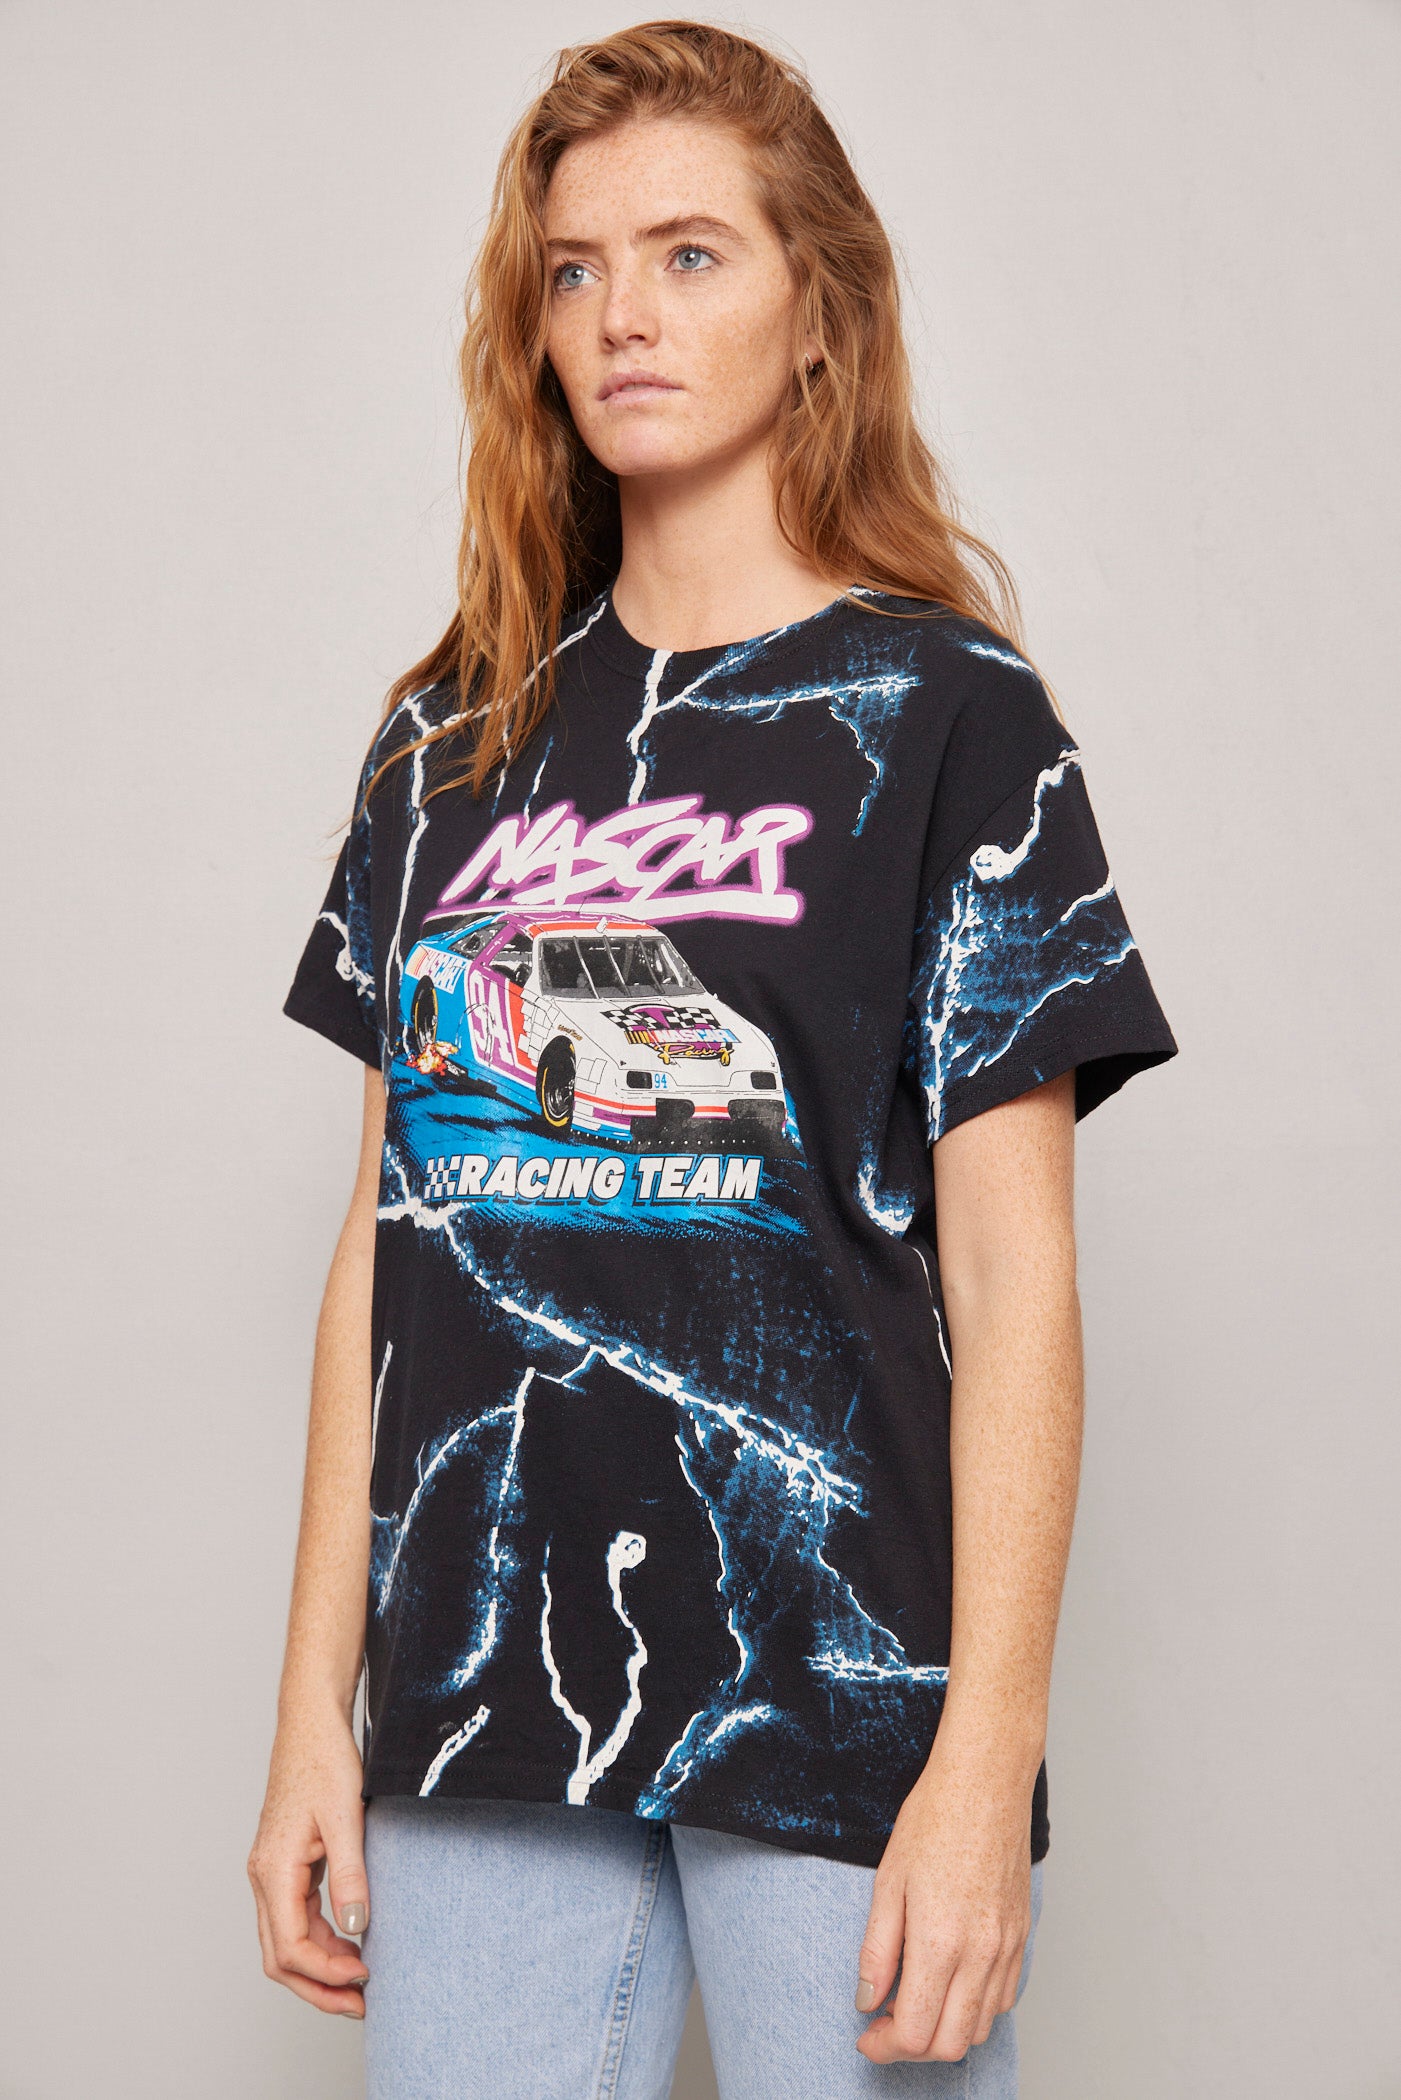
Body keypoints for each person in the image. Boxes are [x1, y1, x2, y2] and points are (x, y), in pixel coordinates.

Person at [248, 20, 1177, 2095]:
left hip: (835, 1670)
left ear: (814, 308)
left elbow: (1013, 1275)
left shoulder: (951, 723)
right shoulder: (448, 739)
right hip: (483, 1682)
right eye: (573, 269)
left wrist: (985, 1755)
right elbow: (383, 1250)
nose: (621, 317)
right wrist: (316, 1706)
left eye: (688, 255)